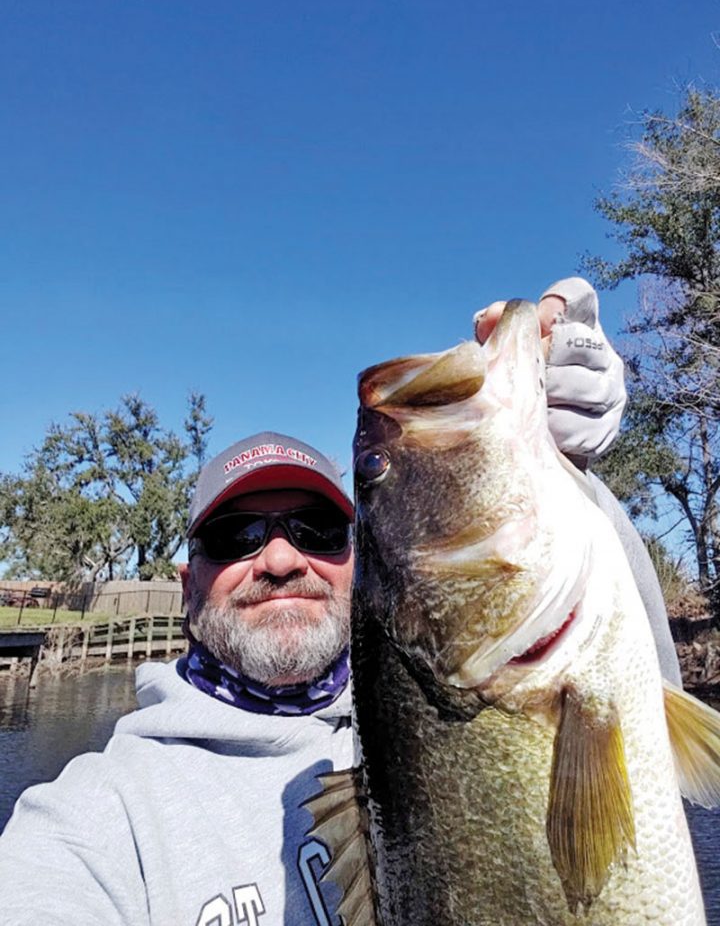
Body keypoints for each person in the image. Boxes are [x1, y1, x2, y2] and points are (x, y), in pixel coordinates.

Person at [0, 278, 680, 925]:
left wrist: (577, 478)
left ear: (357, 567)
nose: (280, 559)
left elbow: (631, 686)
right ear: (186, 587)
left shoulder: (429, 706)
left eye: (318, 530)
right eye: (235, 536)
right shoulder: (93, 820)